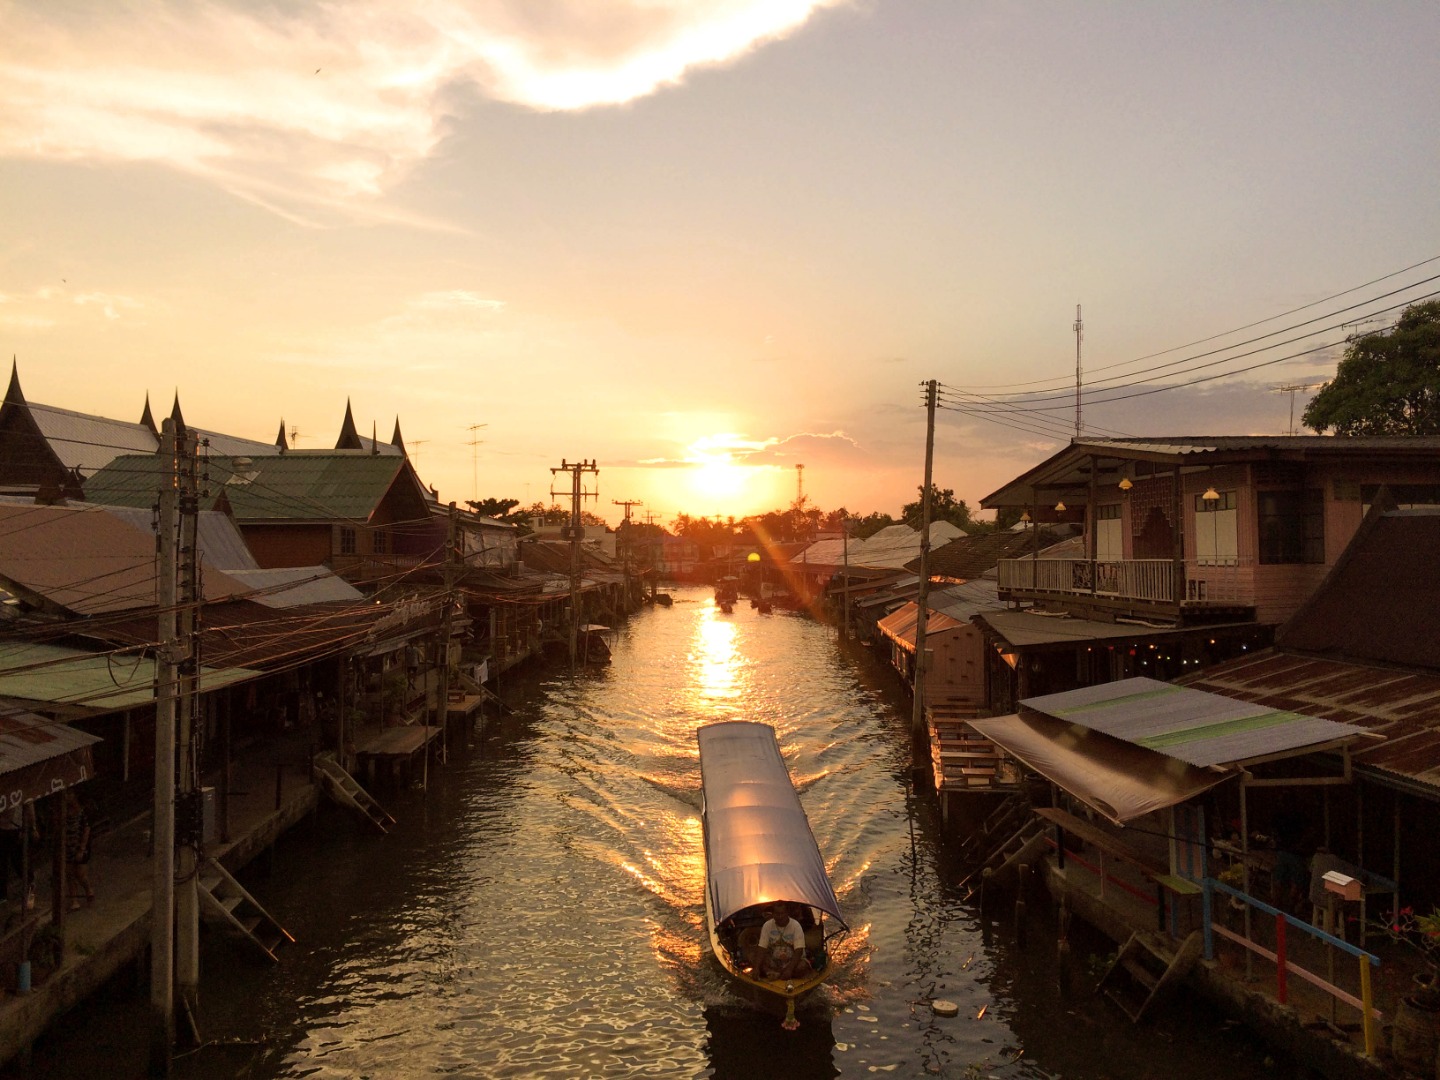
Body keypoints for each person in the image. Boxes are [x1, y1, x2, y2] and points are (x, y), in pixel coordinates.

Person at [754, 904, 812, 981]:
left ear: (787, 913)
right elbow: (762, 947)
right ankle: (771, 972)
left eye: (782, 914)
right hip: (773, 961)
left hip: (791, 962)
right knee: (754, 957)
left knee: (802, 966)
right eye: (777, 914)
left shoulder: (796, 926)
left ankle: (776, 974)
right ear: (773, 914)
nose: (780, 917)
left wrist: (789, 969)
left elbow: (799, 950)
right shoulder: (767, 925)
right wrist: (756, 968)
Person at [62, 790, 94, 911]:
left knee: (80, 874)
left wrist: (81, 848)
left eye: (69, 794)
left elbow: (86, 829)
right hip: (68, 845)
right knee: (69, 873)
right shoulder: (64, 812)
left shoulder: (83, 812)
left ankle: (88, 889)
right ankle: (74, 900)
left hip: (80, 845)